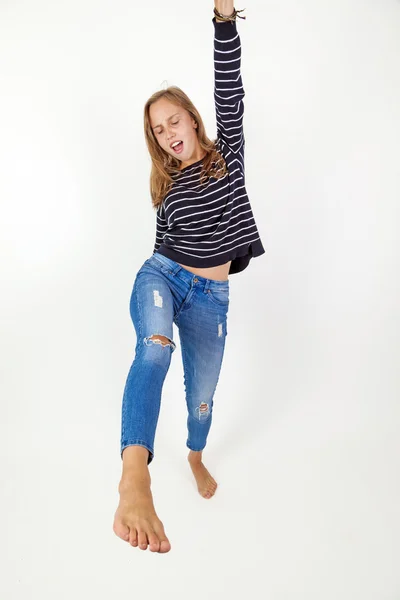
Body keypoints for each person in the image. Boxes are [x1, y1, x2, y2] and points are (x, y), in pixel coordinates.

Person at [113, 1, 265, 554]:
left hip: (211, 299)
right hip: (161, 276)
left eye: (173, 120)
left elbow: (231, 88)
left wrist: (223, 18)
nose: (168, 132)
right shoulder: (166, 188)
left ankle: (195, 456)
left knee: (201, 398)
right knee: (154, 349)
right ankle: (135, 477)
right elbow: (161, 246)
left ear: (194, 120)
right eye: (158, 129)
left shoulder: (228, 159)